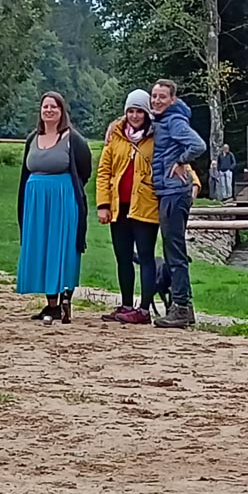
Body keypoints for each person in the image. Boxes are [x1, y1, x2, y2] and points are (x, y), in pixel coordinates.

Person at [17, 92, 93, 324]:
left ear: (62, 111)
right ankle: (52, 305)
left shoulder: (73, 139)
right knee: (42, 247)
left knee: (63, 246)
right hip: (36, 200)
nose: (49, 110)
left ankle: (66, 298)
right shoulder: (33, 138)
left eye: (54, 107)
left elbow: (85, 169)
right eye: (45, 106)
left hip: (63, 197)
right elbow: (26, 169)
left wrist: (66, 188)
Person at [96, 89, 161, 325]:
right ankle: (126, 304)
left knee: (145, 256)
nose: (134, 116)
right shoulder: (116, 135)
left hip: (145, 206)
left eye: (139, 111)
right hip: (119, 206)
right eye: (131, 111)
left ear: (146, 113)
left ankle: (144, 309)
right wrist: (103, 204)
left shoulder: (157, 137)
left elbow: (171, 162)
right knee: (123, 256)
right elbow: (104, 172)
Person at [149, 79, 207, 329]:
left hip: (175, 192)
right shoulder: (163, 120)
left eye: (162, 97)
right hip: (168, 192)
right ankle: (183, 307)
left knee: (175, 252)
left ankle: (181, 307)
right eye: (154, 96)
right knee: (173, 250)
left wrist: (182, 161)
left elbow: (198, 145)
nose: (157, 101)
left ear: (172, 99)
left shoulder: (174, 121)